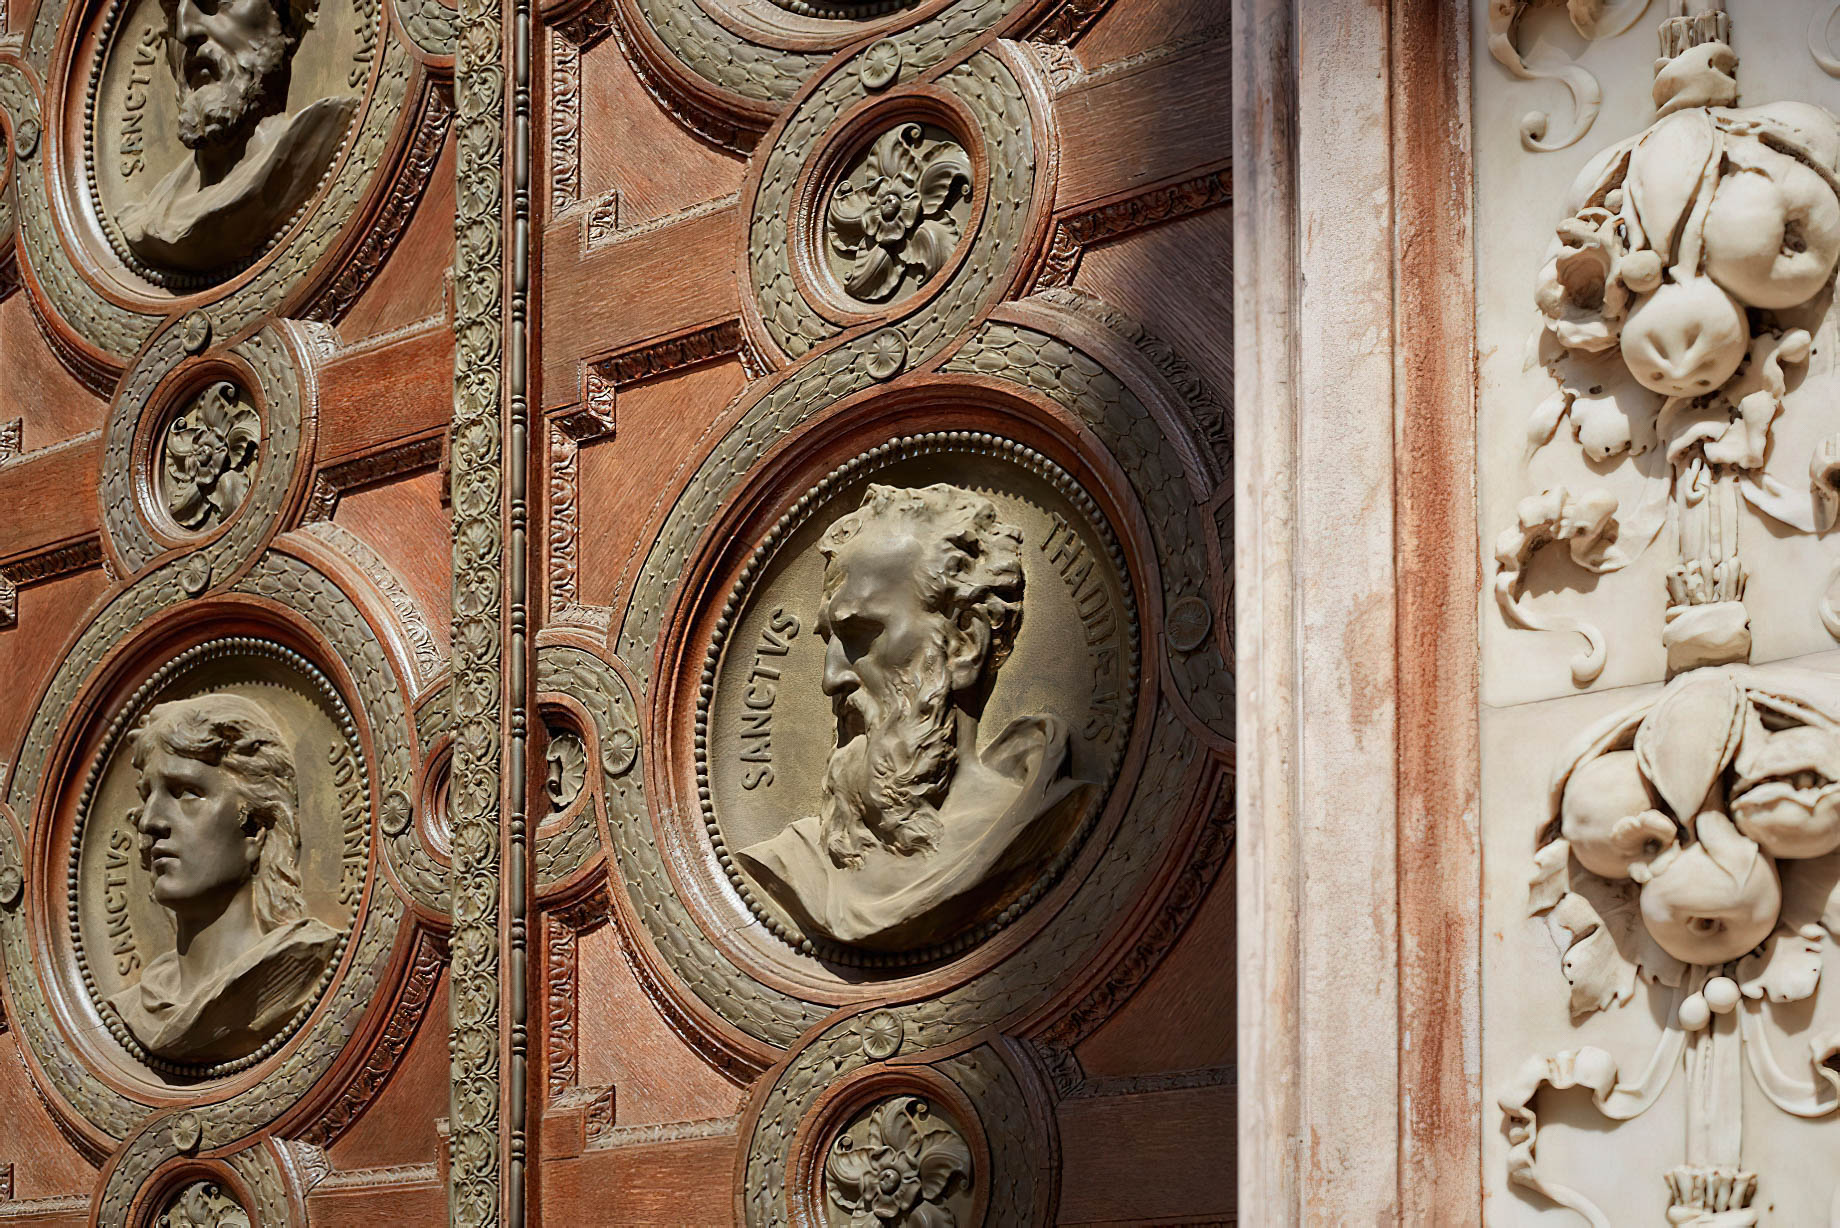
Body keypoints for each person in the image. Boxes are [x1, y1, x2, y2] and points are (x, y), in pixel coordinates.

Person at [739, 484, 1098, 952]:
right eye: (830, 639)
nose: (831, 679)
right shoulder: (794, 862)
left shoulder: (1040, 820)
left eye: (862, 634)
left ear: (964, 644)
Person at [106, 693, 341, 1062]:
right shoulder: (133, 1009)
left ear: (255, 828)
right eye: (147, 795)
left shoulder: (301, 962)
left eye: (186, 793)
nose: (150, 821)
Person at [117, 0, 358, 273]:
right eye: (173, 11)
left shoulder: (321, 134)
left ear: (290, 20)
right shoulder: (147, 217)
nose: (185, 30)